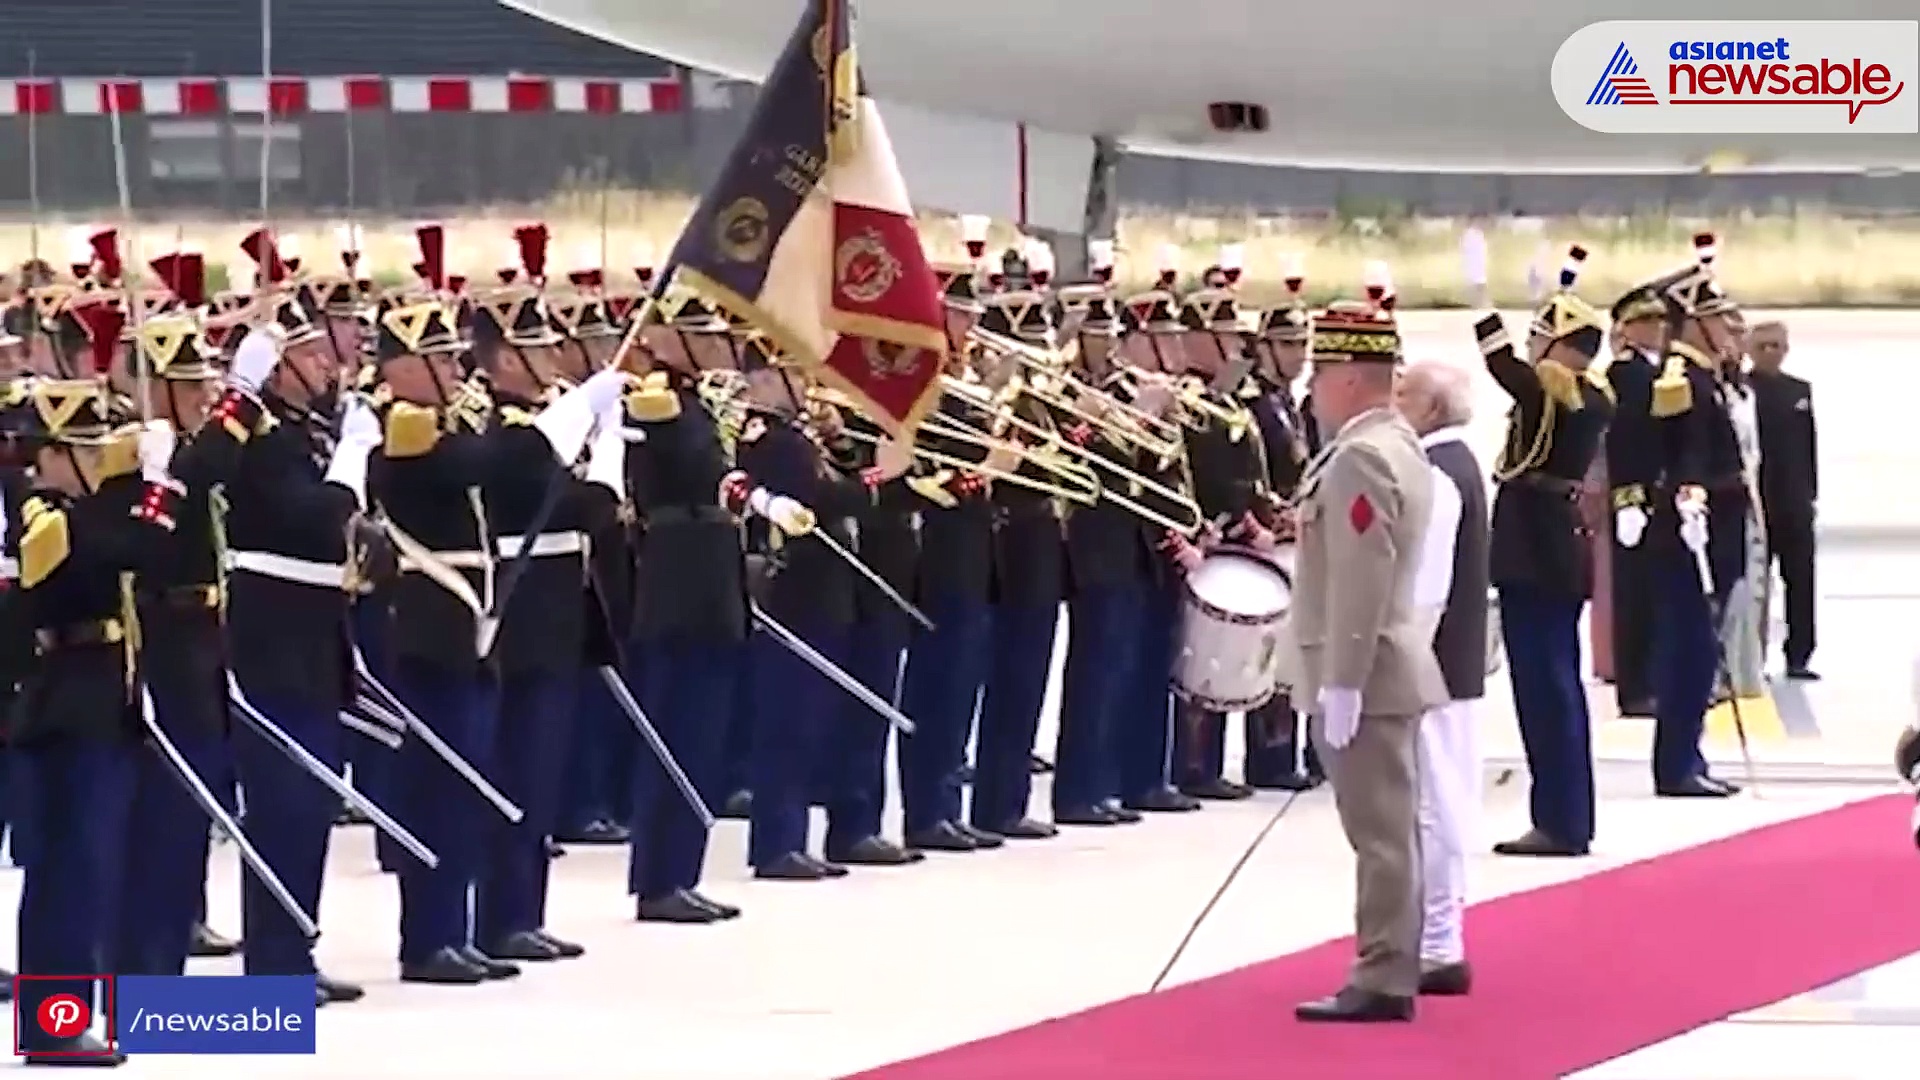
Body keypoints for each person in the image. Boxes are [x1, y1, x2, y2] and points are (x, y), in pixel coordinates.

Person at [8, 363, 181, 1065]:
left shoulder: (80, 511)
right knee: (70, 869)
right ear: (51, 454)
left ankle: (65, 1017)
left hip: (100, 701)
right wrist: (157, 487)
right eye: (81, 449)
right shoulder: (43, 517)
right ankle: (55, 1025)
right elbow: (128, 550)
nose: (95, 460)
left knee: (90, 865)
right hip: (64, 707)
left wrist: (146, 477)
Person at [215, 285, 379, 1005]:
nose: (327, 366)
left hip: (315, 638)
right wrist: (353, 461)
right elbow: (311, 519)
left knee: (311, 805)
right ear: (277, 370)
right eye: (309, 356)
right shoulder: (261, 441)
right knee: (281, 805)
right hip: (273, 637)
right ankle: (272, 967)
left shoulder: (304, 431)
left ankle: (296, 951)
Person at [1290, 300, 1447, 1024]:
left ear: (1350, 378)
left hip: (1369, 669)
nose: (1312, 389)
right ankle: (1393, 962)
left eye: (1320, 374)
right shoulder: (1397, 442)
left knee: (1380, 834)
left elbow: (1361, 575)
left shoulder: (1361, 455)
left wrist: (1343, 681)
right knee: (1393, 828)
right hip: (1386, 664)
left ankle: (1383, 973)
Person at [470, 271, 622, 961]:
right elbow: (581, 506)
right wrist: (604, 451)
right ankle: (501, 918)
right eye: (537, 348)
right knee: (516, 767)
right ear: (505, 360)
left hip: (558, 608)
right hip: (523, 610)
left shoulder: (541, 429)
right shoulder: (507, 433)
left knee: (541, 770)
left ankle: (523, 912)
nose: (555, 357)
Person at [1479, 248, 1614, 858]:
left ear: (1559, 345)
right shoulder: (1590, 395)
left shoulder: (1552, 391)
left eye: (1540, 338)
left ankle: (1558, 823)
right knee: (1558, 687)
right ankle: (1568, 817)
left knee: (1543, 690)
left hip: (1533, 548)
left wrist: (1481, 299)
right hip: (1557, 545)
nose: (1532, 348)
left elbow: (1501, 363)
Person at [623, 293, 753, 922]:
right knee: (675, 730)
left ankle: (683, 870)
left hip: (712, 571)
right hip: (679, 572)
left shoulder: (700, 399)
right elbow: (696, 469)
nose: (712, 345)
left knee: (703, 732)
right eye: (697, 335)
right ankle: (658, 879)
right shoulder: (659, 399)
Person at [1605, 245, 1745, 799]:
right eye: (1718, 319)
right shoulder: (1678, 377)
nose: (1730, 328)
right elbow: (1668, 450)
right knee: (1690, 648)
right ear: (1695, 323)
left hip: (1716, 526)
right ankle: (1676, 764)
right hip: (1689, 533)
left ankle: (1689, 754)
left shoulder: (1707, 375)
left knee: (1701, 649)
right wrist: (1680, 496)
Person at [1393, 360, 1487, 996]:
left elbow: (1425, 591)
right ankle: (1436, 935)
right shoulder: (1456, 463)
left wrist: (1401, 666)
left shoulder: (1436, 473)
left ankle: (1438, 942)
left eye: (1404, 395)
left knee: (1434, 803)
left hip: (1433, 665)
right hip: (1450, 661)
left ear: (1430, 408)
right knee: (1441, 799)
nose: (1393, 403)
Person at [1169, 287, 1277, 801]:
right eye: (1225, 336)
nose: (1235, 346)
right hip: (1209, 532)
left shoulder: (1227, 397)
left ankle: (1207, 764)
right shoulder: (1190, 401)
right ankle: (1192, 765)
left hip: (1235, 530)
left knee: (1229, 651)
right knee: (1202, 657)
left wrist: (1264, 510)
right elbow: (1206, 473)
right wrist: (1238, 519)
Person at [970, 286, 1065, 841]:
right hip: (1013, 544)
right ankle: (994, 804)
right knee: (1010, 679)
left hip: (1044, 544)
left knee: (1029, 679)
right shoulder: (994, 400)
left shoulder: (1040, 398)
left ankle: (1009, 800)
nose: (1041, 355)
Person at [1244, 282, 1322, 791]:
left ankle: (1289, 751)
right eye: (1288, 344)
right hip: (1270, 535)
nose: (1299, 354)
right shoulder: (1255, 403)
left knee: (1297, 651)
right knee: (1273, 652)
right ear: (1265, 346)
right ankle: (1270, 757)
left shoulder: (1289, 401)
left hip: (1300, 531)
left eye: (1302, 344)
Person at [1748, 320, 1818, 679]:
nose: (1770, 352)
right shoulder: (1742, 391)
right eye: (1762, 346)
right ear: (1749, 350)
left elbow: (1808, 445)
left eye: (1776, 345)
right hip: (1758, 501)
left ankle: (1799, 654)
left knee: (1801, 581)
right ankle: (1752, 657)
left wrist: (1811, 493)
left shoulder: (1799, 391)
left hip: (1795, 501)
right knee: (1755, 587)